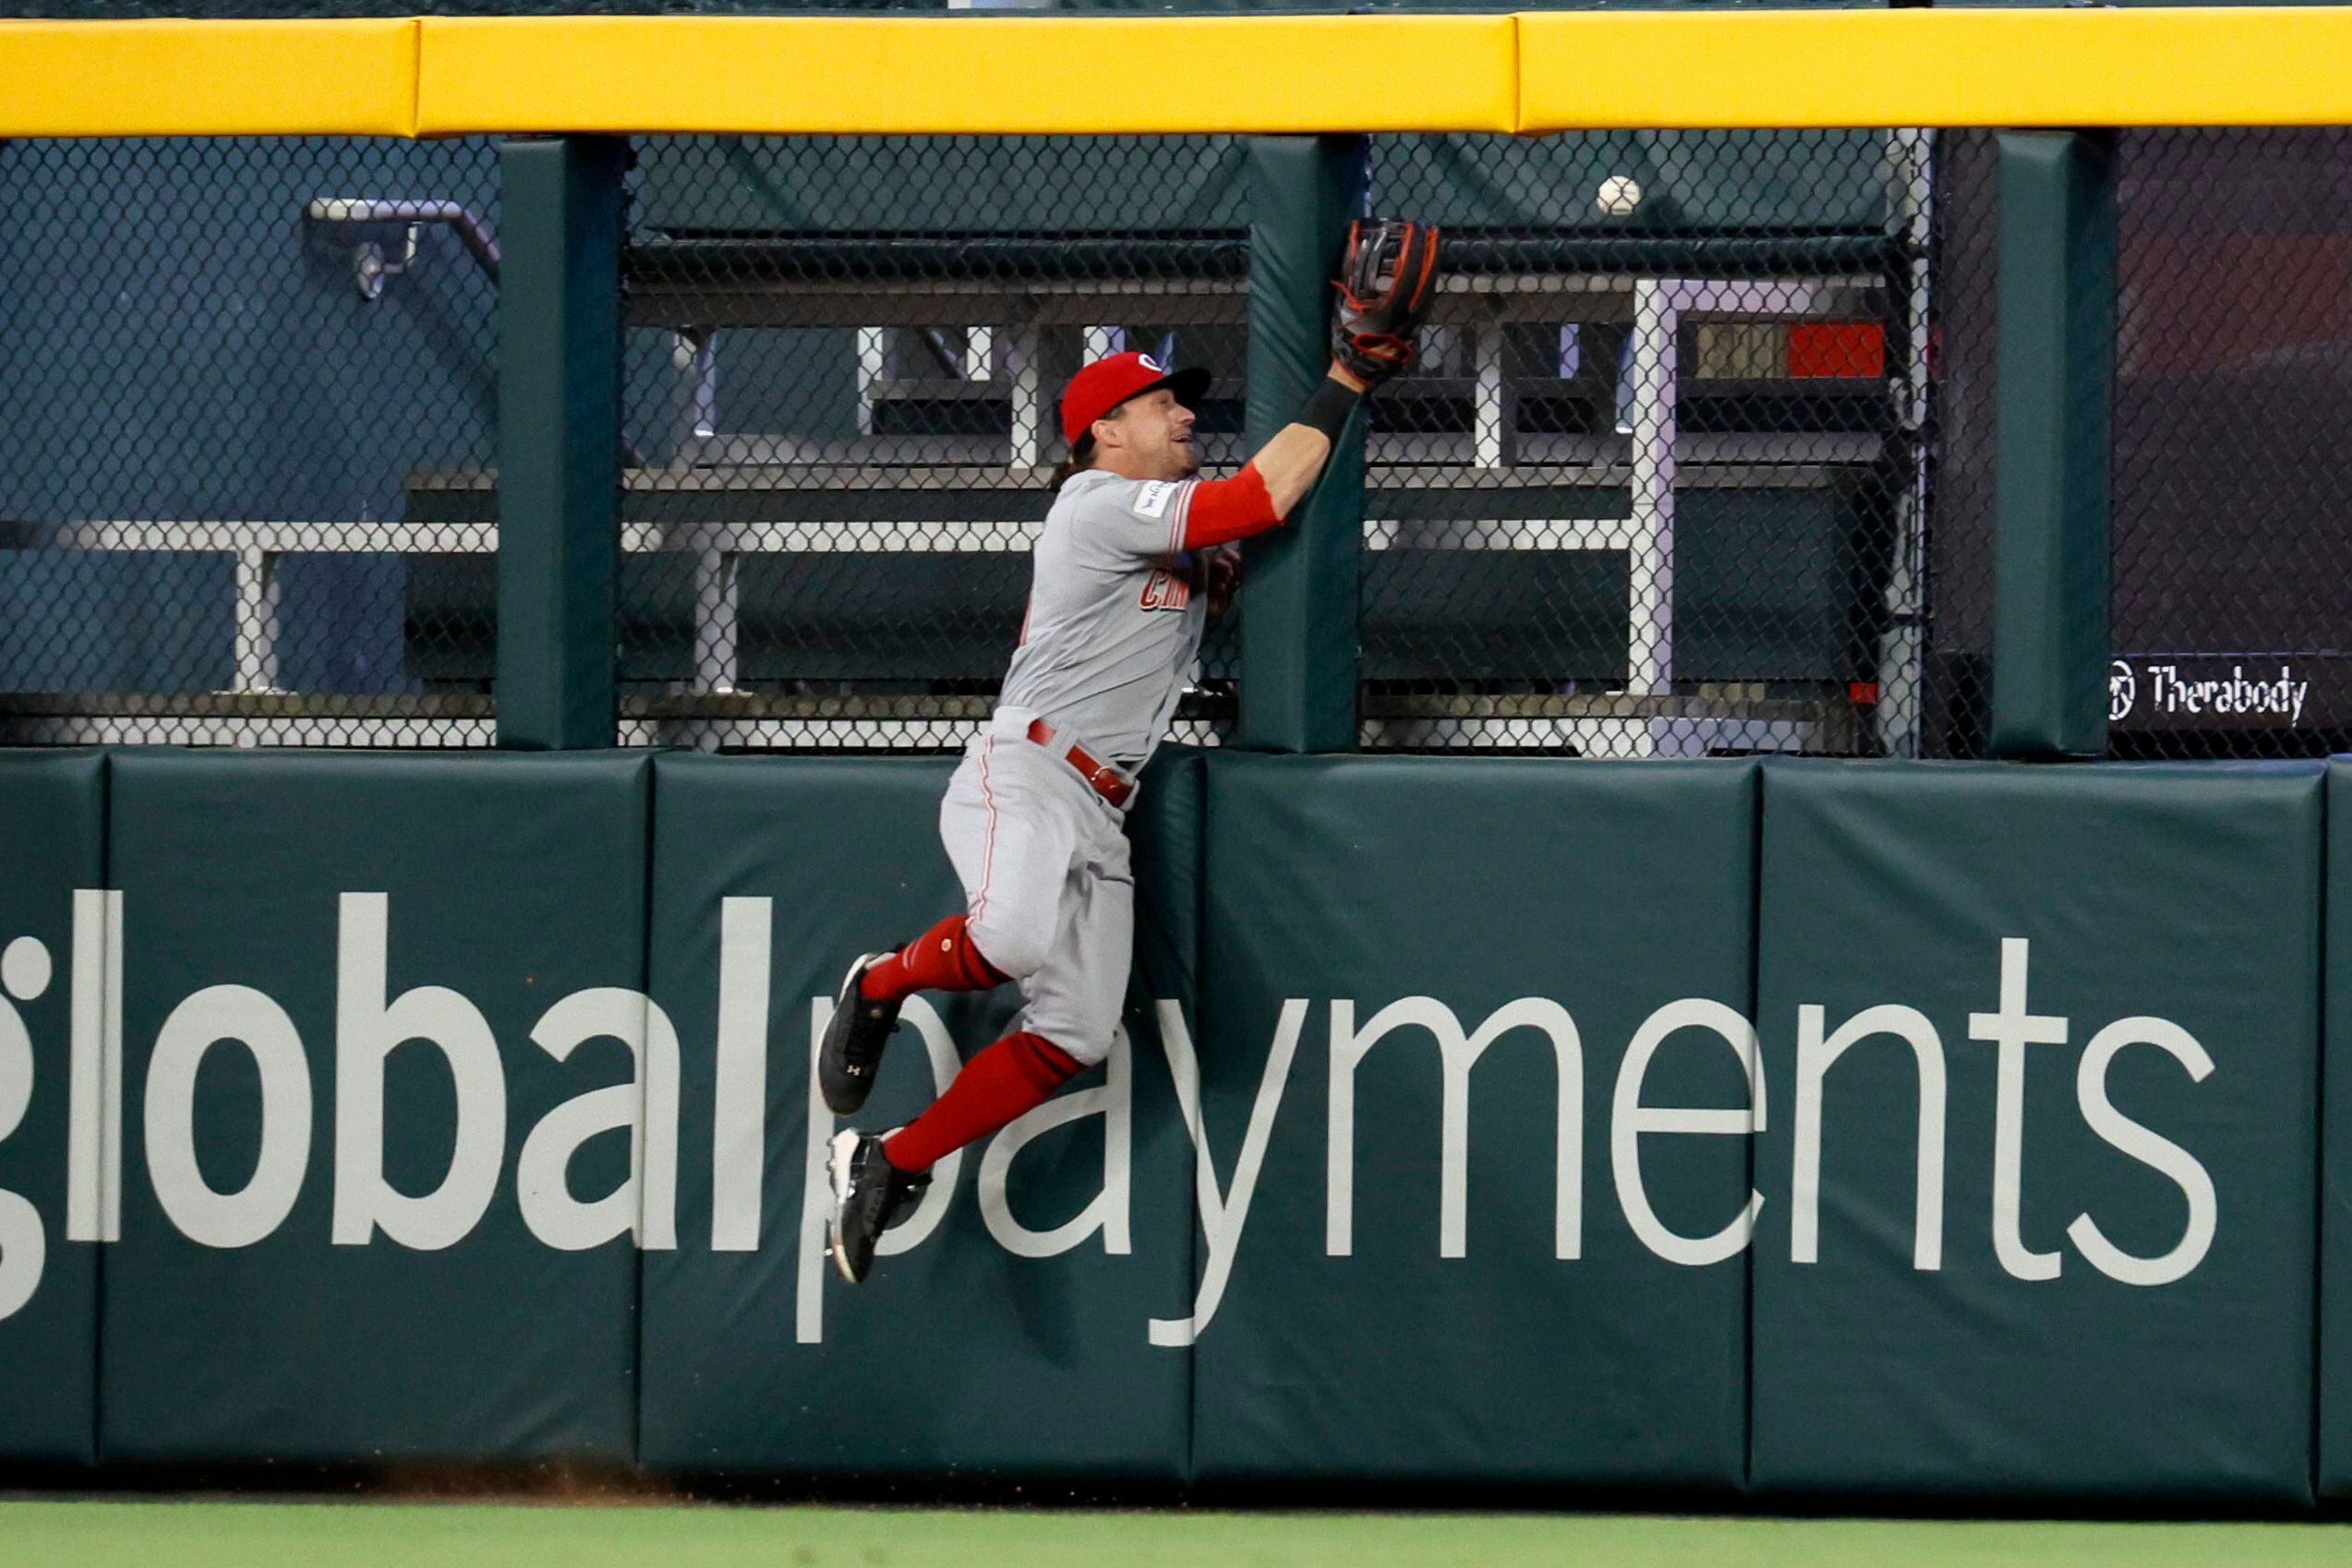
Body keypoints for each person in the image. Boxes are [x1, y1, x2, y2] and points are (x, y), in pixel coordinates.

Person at [820, 221, 1440, 1285]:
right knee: (1010, 940)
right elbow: (1261, 498)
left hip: (1101, 809)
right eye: (1162, 403)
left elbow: (1235, 534)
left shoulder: (1154, 535)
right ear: (1106, 430)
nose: (1185, 412)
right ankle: (880, 985)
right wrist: (1345, 377)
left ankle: (890, 1160)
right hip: (1025, 772)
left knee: (1076, 1036)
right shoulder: (1096, 504)